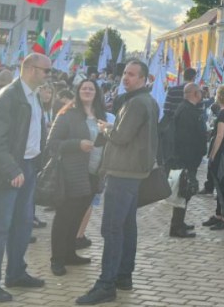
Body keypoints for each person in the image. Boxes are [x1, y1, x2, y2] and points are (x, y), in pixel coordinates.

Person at [76, 59, 158, 305]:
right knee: (126, 227)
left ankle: (106, 284)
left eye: (132, 75)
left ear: (143, 79)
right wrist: (114, 127)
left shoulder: (136, 103)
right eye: (125, 73)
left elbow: (121, 137)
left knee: (112, 228)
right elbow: (132, 134)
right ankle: (123, 276)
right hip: (134, 172)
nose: (126, 78)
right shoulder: (148, 101)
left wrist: (106, 130)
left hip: (123, 172)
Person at [0, 53, 51, 303]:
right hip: (7, 171)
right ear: (29, 69)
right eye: (45, 70)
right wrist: (12, 170)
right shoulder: (8, 96)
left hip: (26, 167)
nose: (49, 75)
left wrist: (34, 165)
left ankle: (16, 272)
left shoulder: (33, 95)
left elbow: (34, 133)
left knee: (22, 225)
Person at [45, 79, 106, 275]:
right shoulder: (68, 114)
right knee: (64, 216)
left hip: (94, 173)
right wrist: (77, 144)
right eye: (84, 88)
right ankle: (57, 259)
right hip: (72, 173)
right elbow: (52, 143)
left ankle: (70, 253)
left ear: (97, 92)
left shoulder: (101, 115)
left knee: (78, 216)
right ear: (77, 92)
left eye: (91, 88)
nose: (88, 91)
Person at [168, 83, 207, 238]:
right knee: (183, 191)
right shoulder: (186, 111)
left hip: (189, 158)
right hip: (185, 159)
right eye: (200, 92)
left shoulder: (188, 109)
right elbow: (185, 139)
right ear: (194, 93)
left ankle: (179, 222)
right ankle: (176, 227)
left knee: (185, 192)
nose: (202, 95)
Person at [204, 84, 224, 230]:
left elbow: (220, 135)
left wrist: (212, 154)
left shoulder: (223, 114)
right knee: (221, 184)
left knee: (222, 185)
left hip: (223, 153)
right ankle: (219, 214)